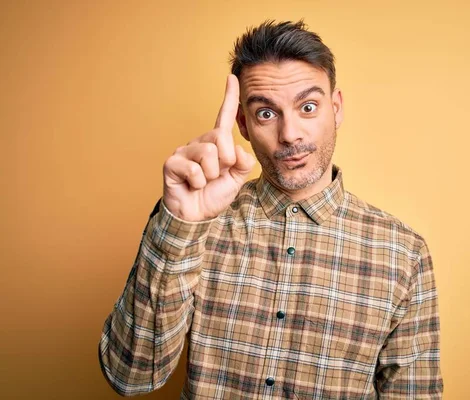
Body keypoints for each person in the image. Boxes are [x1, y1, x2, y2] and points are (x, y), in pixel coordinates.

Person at [99, 20, 443, 399]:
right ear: (243, 124)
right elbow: (128, 376)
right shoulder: (196, 224)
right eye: (266, 113)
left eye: (308, 107)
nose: (290, 134)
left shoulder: (404, 253)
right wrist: (179, 226)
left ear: (336, 108)